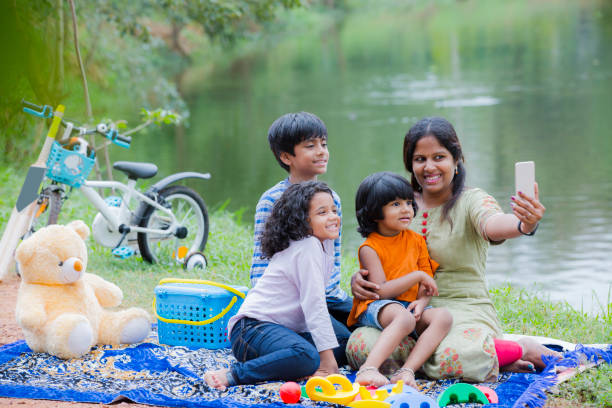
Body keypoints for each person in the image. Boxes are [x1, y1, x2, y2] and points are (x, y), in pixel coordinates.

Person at [351, 117, 560, 382]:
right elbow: (375, 248)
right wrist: (359, 279)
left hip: (465, 307)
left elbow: (493, 224)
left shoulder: (472, 200)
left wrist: (524, 223)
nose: (429, 167)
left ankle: (520, 349)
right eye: (420, 159)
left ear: (456, 159)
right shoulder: (399, 205)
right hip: (406, 308)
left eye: (439, 157)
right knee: (361, 345)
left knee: (456, 357)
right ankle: (489, 359)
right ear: (409, 163)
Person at [205, 181, 343, 390]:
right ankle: (232, 375)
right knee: (308, 356)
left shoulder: (324, 242)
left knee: (343, 342)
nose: (333, 217)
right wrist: (326, 360)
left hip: (285, 329)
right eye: (322, 213)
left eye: (333, 210)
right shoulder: (307, 246)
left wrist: (328, 356)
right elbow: (314, 304)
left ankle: (294, 364)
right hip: (251, 330)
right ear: (303, 221)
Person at [249, 112, 353, 358]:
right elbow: (260, 264)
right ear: (287, 157)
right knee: (342, 346)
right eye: (310, 146)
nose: (321, 151)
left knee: (371, 324)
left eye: (323, 144)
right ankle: (290, 343)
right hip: (291, 300)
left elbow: (334, 258)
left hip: (328, 296)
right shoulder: (272, 200)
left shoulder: (331, 199)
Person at [347, 172, 453, 388]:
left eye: (408, 202)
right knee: (404, 319)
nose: (406, 209)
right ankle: (368, 369)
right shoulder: (370, 248)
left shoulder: (416, 240)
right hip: (376, 306)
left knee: (443, 317)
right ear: (375, 213)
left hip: (406, 306)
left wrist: (422, 302)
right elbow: (382, 291)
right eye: (395, 204)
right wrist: (417, 276)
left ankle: (407, 371)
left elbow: (426, 277)